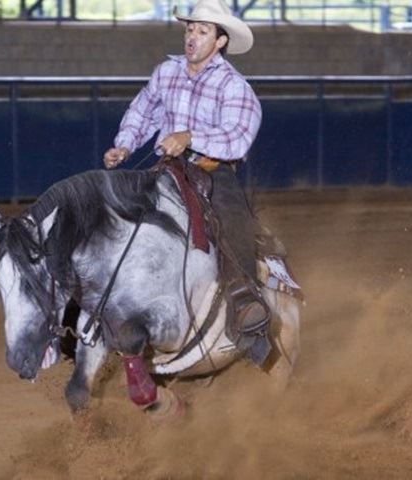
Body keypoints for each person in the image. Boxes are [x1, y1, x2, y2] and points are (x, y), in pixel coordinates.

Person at [103, 0, 269, 354]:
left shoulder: (234, 87)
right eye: (189, 29)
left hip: (212, 171)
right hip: (166, 169)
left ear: (220, 41)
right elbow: (143, 110)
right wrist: (124, 146)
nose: (192, 37)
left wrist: (191, 138)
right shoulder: (166, 72)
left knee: (232, 219)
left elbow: (237, 137)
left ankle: (244, 301)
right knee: (118, 213)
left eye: (202, 31)